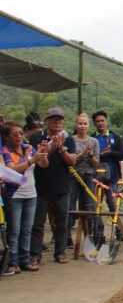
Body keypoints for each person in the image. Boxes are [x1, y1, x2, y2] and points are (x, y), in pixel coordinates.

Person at [28, 108, 77, 266]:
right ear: (47, 121)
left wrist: (61, 149)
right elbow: (36, 160)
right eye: (54, 119)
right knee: (38, 224)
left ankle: (60, 252)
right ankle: (35, 255)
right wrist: (49, 148)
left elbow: (72, 162)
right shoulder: (36, 137)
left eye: (60, 119)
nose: (57, 122)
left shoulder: (68, 139)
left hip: (62, 187)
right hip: (41, 188)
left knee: (62, 223)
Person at [2, 121, 49, 274]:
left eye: (21, 133)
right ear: (6, 137)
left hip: (31, 193)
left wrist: (43, 153)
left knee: (27, 229)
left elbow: (43, 165)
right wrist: (32, 160)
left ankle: (25, 259)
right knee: (14, 230)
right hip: (14, 194)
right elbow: (12, 170)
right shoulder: (4, 152)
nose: (19, 137)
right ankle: (12, 261)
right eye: (15, 134)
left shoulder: (28, 148)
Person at [68, 114, 100, 243]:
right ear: (76, 125)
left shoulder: (94, 141)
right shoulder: (71, 140)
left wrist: (90, 154)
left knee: (89, 206)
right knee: (70, 205)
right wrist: (82, 153)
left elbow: (96, 163)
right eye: (80, 123)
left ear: (88, 126)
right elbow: (71, 161)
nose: (82, 126)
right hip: (73, 175)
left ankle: (90, 236)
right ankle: (67, 237)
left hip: (88, 176)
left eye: (85, 124)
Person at [91, 111, 123, 222]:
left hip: (112, 177)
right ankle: (98, 232)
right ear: (94, 123)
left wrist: (110, 153)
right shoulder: (91, 138)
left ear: (106, 121)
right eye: (97, 121)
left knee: (114, 205)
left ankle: (119, 231)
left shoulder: (115, 137)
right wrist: (100, 154)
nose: (100, 123)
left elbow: (122, 154)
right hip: (96, 178)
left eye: (102, 120)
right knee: (96, 206)